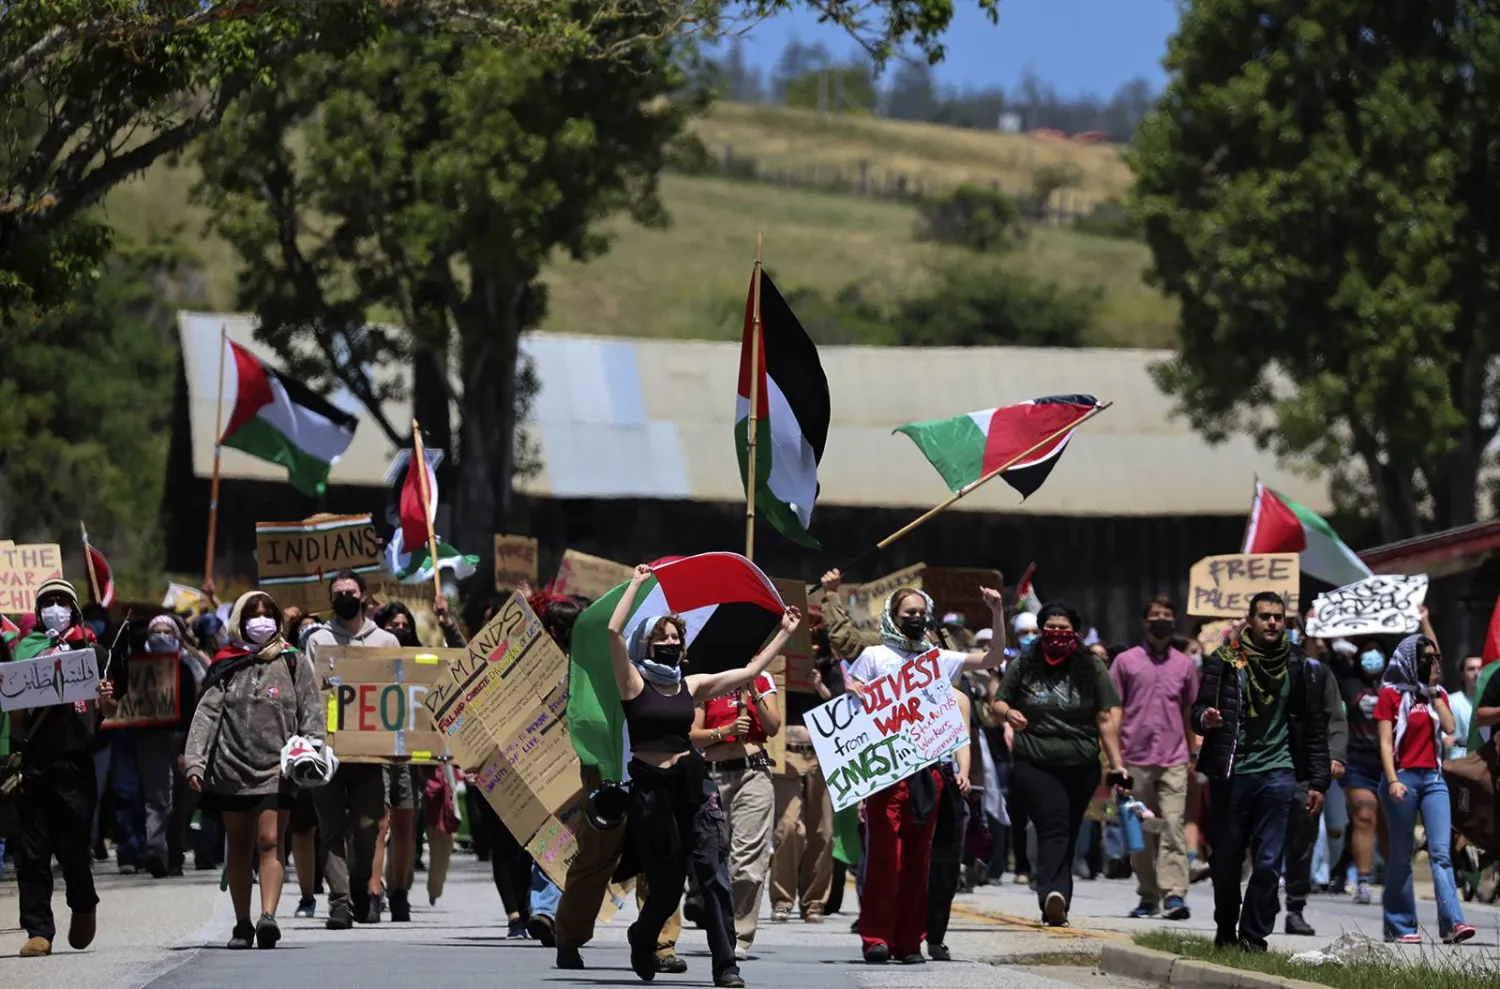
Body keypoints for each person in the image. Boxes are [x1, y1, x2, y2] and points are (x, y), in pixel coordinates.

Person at [607, 565, 800, 988]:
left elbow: (748, 675)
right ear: (647, 644)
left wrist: (784, 632)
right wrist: (638, 585)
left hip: (693, 787)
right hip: (651, 794)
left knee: (714, 875)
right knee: (667, 887)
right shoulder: (633, 683)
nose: (671, 645)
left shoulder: (690, 686)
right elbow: (614, 633)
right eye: (662, 639)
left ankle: (725, 965)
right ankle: (643, 935)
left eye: (676, 639)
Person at [849, 584, 1005, 962]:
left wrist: (997, 613)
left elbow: (992, 657)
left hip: (929, 773)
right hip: (886, 774)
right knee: (887, 860)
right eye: (908, 614)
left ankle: (908, 942)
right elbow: (852, 713)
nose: (916, 619)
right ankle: (876, 938)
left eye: (922, 612)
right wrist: (854, 689)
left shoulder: (937, 659)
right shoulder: (874, 657)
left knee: (919, 863)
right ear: (892, 616)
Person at [1192, 593, 1330, 953]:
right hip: (1232, 773)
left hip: (1279, 773)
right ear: (1250, 620)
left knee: (1269, 861)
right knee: (1227, 860)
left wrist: (1317, 781)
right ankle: (1226, 929)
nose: (1272, 623)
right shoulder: (1225, 661)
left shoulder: (1298, 666)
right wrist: (1205, 719)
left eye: (1278, 617)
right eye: (1265, 616)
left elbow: (1313, 727)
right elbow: (1199, 708)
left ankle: (1254, 937)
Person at [184, 591, 321, 949]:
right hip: (232, 772)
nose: (261, 621)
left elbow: (311, 711)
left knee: (271, 841)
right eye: (253, 616)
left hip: (279, 771)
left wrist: (314, 749)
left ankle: (268, 917)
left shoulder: (294, 662)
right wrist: (195, 761)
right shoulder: (226, 664)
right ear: (240, 623)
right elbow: (207, 715)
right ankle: (242, 924)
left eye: (267, 615)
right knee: (240, 848)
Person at [992, 601, 1123, 929]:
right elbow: (997, 702)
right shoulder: (1024, 663)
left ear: (1075, 633)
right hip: (1034, 760)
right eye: (1049, 629)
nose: (1056, 635)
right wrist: (1009, 713)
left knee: (1069, 828)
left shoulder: (1091, 666)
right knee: (1054, 826)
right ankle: (1053, 894)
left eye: (1063, 630)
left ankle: (1056, 893)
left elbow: (1106, 716)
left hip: (1081, 763)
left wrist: (1117, 764)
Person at [8, 579, 118, 957]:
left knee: (73, 847)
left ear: (73, 606)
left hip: (75, 763)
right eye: (48, 602)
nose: (55, 607)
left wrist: (105, 700)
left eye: (62, 601)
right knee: (32, 851)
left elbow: (109, 711)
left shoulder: (92, 650)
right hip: (35, 764)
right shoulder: (24, 650)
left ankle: (83, 903)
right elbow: (17, 721)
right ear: (38, 612)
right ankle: (38, 929)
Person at [305, 570, 401, 929]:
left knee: (367, 826)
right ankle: (339, 903)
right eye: (338, 592)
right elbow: (310, 691)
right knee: (330, 828)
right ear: (331, 599)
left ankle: (362, 887)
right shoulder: (318, 640)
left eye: (351, 590)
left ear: (363, 596)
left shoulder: (387, 641)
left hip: (370, 752)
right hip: (327, 752)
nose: (345, 596)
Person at [1374, 633, 1474, 944]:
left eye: (1436, 658)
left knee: (1441, 854)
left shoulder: (1437, 694)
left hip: (1433, 780)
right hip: (1402, 778)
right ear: (1410, 661)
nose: (1433, 663)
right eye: (1426, 658)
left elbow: (1449, 727)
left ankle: (1453, 922)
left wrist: (1432, 692)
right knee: (1401, 854)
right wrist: (1392, 781)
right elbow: (1385, 742)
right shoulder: (1390, 695)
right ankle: (1399, 924)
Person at [1109, 595, 1198, 921]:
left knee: (1173, 825)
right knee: (1141, 831)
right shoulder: (1126, 662)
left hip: (1173, 758)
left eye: (1167, 614)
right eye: (1155, 615)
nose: (1161, 619)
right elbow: (1113, 711)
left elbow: (1190, 710)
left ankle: (1174, 895)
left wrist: (1193, 753)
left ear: (1174, 621)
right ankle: (1148, 895)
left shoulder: (1184, 665)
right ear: (1145, 622)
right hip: (1134, 759)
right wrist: (1113, 758)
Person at [691, 661, 780, 961]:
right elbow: (693, 734)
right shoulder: (708, 681)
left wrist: (754, 691)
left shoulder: (762, 679)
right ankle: (718, 926)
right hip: (713, 777)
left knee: (748, 861)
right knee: (715, 858)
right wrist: (724, 731)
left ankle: (738, 935)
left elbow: (773, 726)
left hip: (753, 775)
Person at [770, 599, 836, 926]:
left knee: (822, 832)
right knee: (787, 828)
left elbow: (846, 708)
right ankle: (782, 899)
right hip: (787, 752)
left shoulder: (833, 664)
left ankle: (813, 902)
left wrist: (820, 686)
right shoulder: (778, 661)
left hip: (823, 754)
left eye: (815, 629)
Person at [1281, 615, 1347, 938]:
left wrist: (1335, 755)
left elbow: (1335, 717)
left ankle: (1295, 908)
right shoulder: (1261, 665)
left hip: (1305, 769)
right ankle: (1260, 904)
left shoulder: (1320, 674)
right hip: (1267, 765)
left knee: (1303, 838)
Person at [1327, 635, 1387, 904]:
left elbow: (1433, 662)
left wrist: (1424, 621)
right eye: (1367, 652)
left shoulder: (1396, 684)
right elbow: (1326, 655)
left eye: (1378, 652)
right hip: (1358, 762)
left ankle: (1396, 875)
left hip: (1390, 764)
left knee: (1387, 823)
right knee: (1364, 815)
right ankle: (1362, 879)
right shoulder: (1350, 682)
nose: (1372, 657)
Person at [924, 683, 974, 960]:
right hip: (911, 779)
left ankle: (935, 935)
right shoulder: (896, 692)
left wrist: (964, 771)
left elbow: (962, 740)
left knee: (945, 864)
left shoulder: (958, 699)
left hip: (946, 780)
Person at [1448, 655, 1483, 761]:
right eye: (1471, 669)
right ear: (1463, 674)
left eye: (1480, 668)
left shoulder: (1493, 703)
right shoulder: (1451, 701)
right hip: (1459, 765)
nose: (1477, 673)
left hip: (1486, 767)